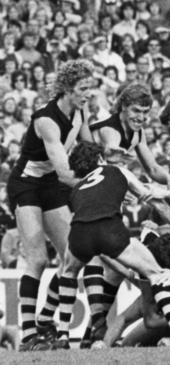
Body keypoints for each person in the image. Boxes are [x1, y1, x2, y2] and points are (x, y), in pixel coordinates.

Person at [53, 142, 170, 349]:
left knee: (68, 273)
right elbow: (153, 199)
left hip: (79, 232)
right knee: (155, 273)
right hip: (108, 229)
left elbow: (85, 212)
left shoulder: (78, 187)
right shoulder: (117, 170)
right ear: (100, 159)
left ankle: (62, 336)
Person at [6, 59, 95, 351]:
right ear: (67, 89)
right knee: (38, 259)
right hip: (26, 184)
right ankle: (29, 334)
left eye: (90, 87)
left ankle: (46, 321)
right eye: (83, 88)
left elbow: (90, 151)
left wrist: (111, 164)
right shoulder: (45, 118)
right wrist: (101, 183)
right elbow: (65, 171)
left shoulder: (81, 110)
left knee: (75, 255)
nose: (88, 93)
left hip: (50, 186)